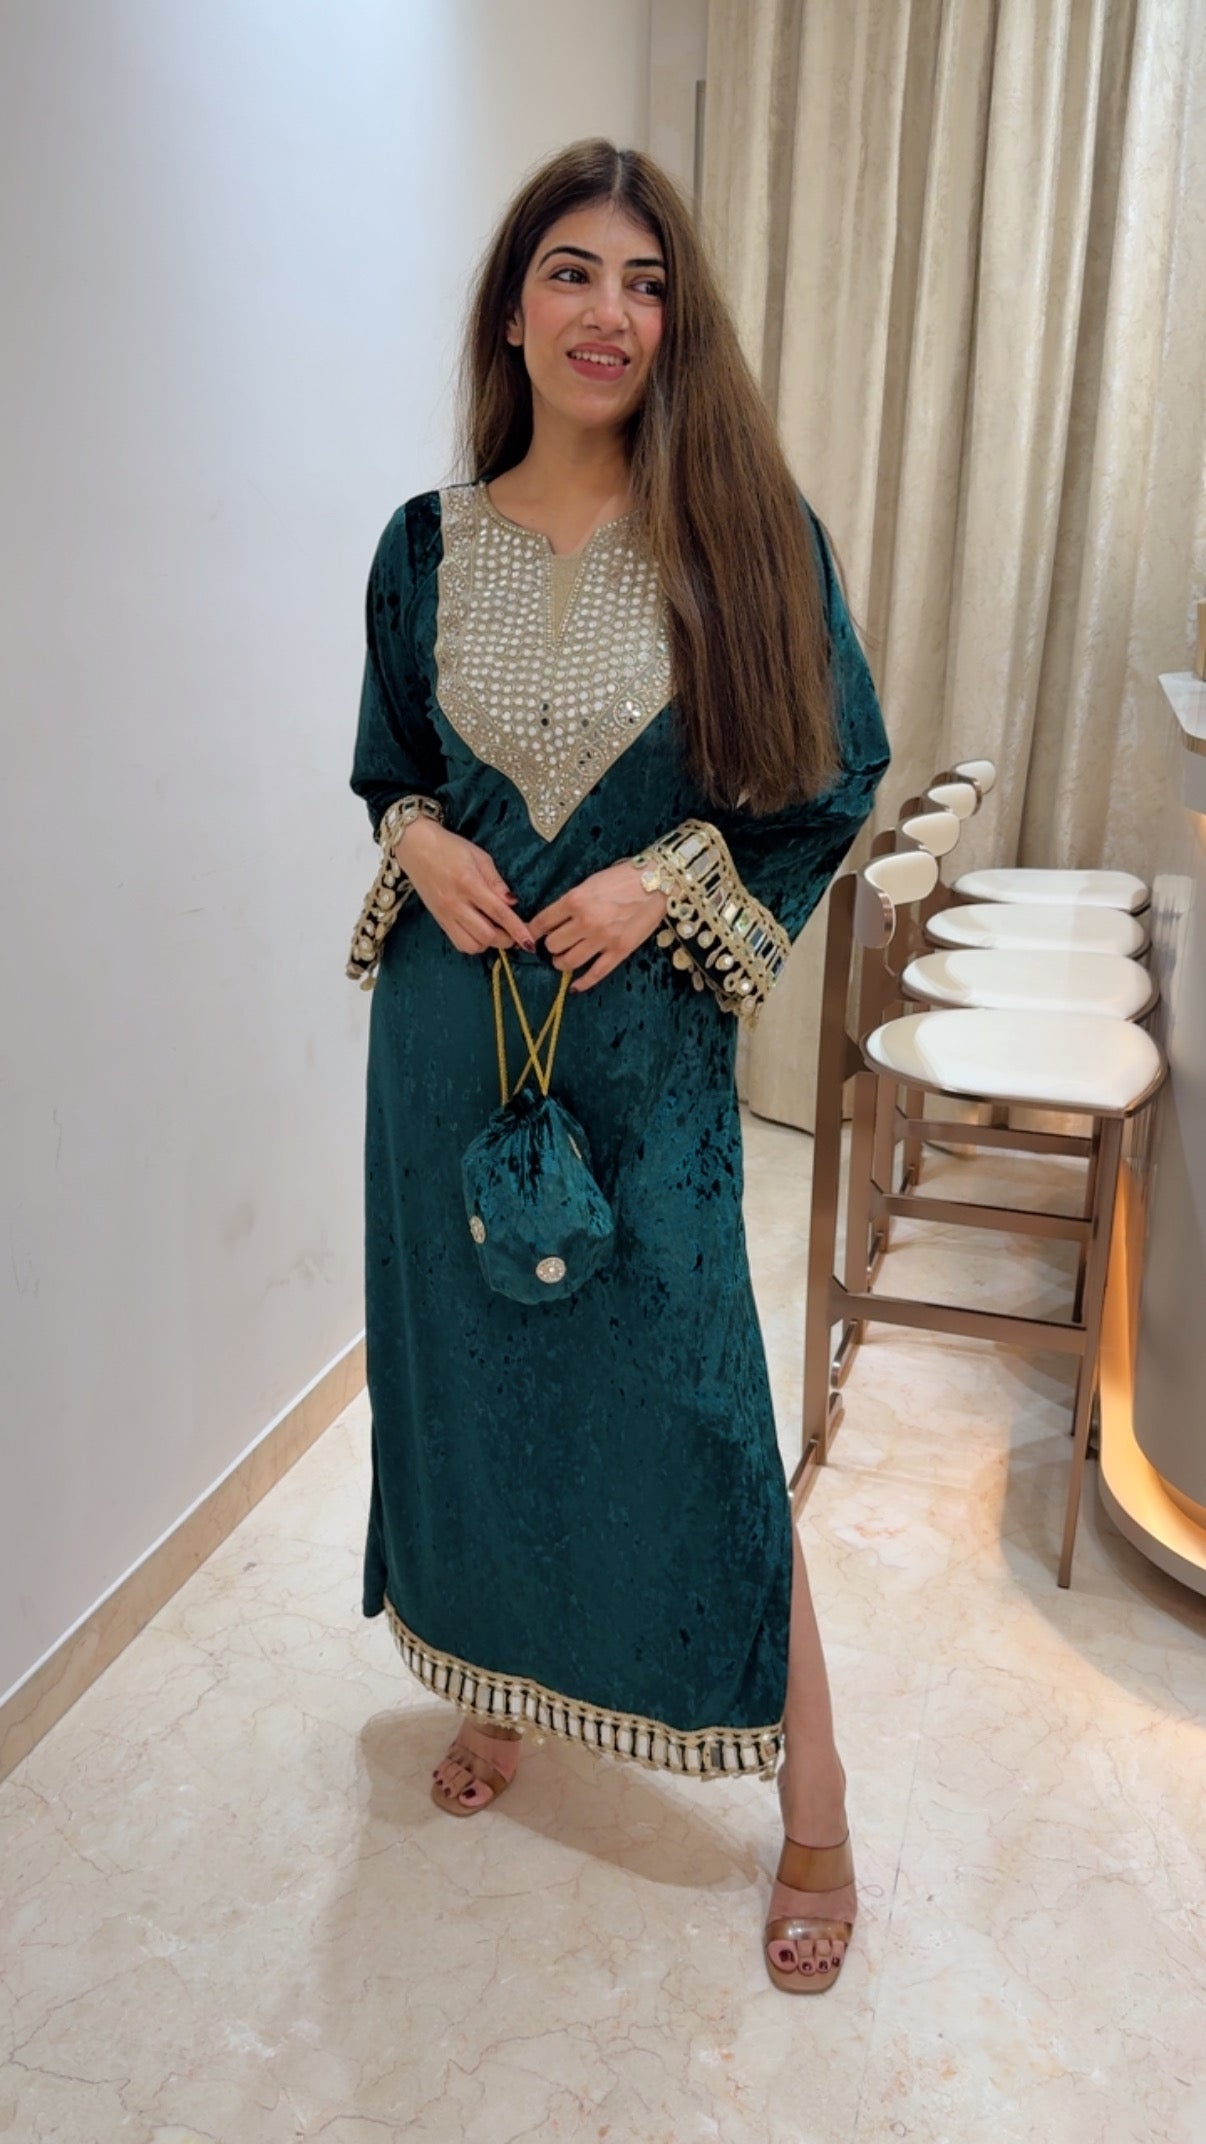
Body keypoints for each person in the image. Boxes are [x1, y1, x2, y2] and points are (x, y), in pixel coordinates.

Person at [346, 138, 889, 1995]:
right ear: (513, 308)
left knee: (699, 1411)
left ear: (678, 322)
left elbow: (830, 778)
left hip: (645, 1064)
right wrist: (416, 836)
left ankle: (815, 1810)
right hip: (449, 1049)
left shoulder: (743, 535)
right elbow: (389, 768)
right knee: (476, 1384)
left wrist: (668, 878)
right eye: (571, 272)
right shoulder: (421, 547)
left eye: (646, 283)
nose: (610, 313)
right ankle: (502, 1680)